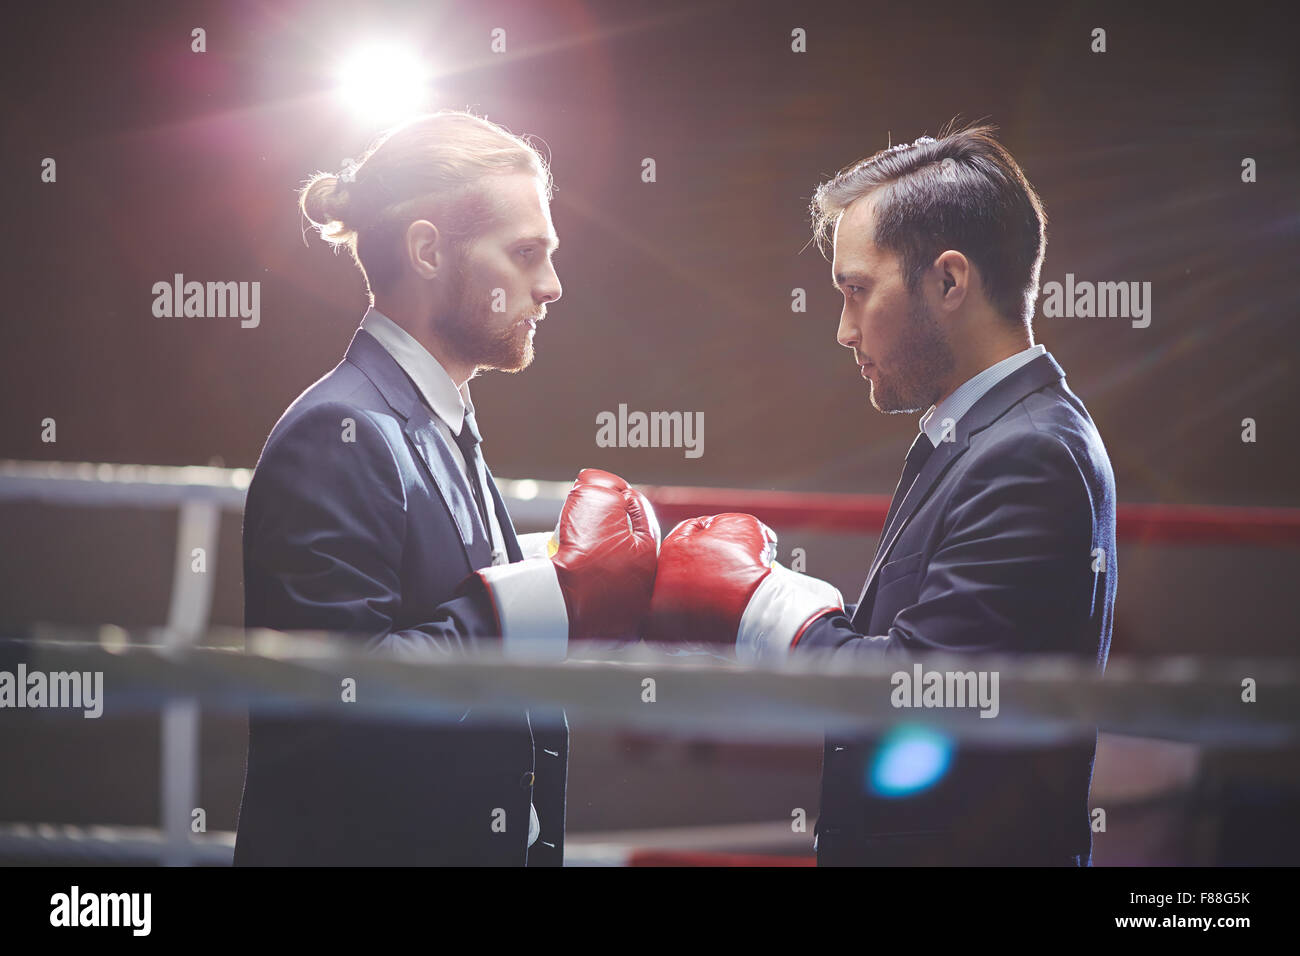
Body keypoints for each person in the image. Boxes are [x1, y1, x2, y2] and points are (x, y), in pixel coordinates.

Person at [646, 122, 1116, 865]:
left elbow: (925, 692)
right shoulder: (981, 434)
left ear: (949, 281)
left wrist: (759, 602)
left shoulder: (1028, 452)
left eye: (858, 290)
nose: (842, 329)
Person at [234, 110, 659, 866]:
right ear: (428, 249)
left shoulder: (436, 420)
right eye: (526, 253)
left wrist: (568, 579)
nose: (552, 285)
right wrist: (547, 595)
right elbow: (341, 699)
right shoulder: (339, 432)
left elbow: (432, 597)